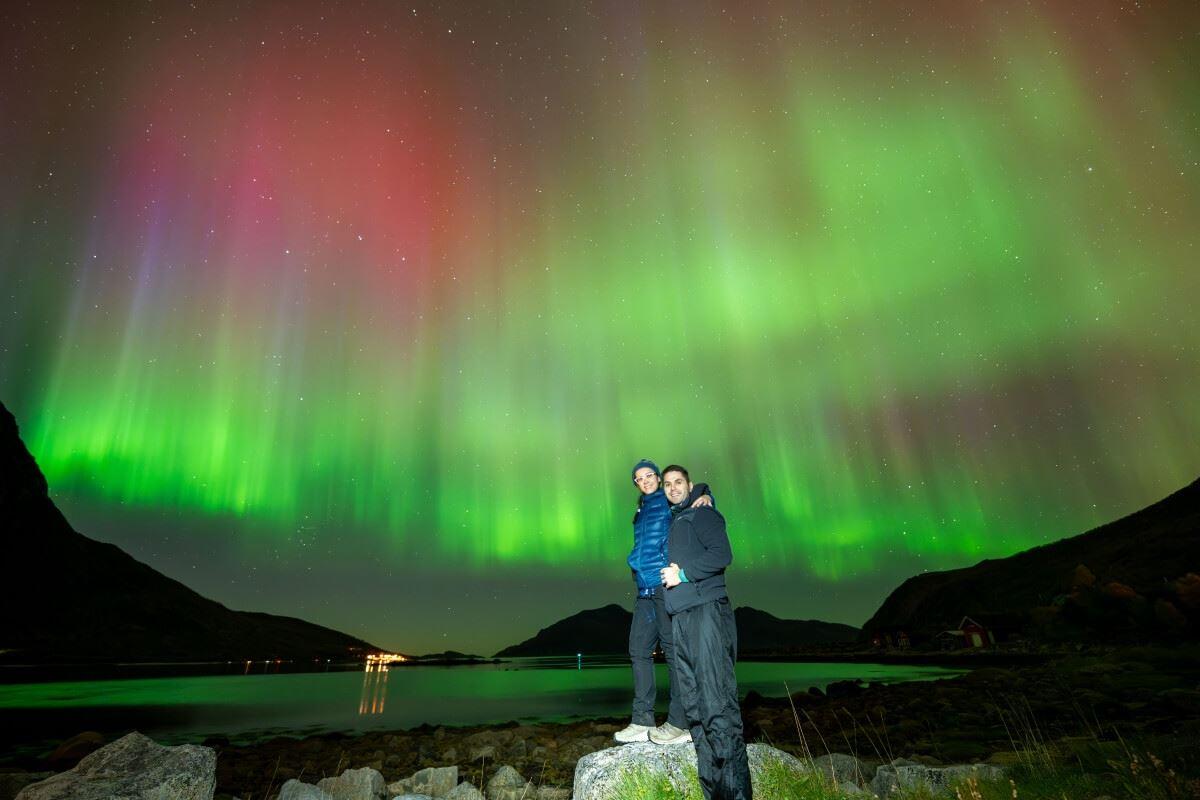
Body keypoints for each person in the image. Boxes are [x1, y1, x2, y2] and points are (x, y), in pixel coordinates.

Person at [660, 464, 752, 800]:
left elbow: (722, 554)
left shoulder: (703, 514)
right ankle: (714, 792)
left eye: (678, 482)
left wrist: (682, 575)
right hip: (681, 618)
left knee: (717, 707)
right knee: (695, 710)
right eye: (667, 484)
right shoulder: (676, 519)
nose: (672, 488)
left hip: (706, 614)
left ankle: (735, 794)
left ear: (690, 485)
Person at [613, 458, 712, 745]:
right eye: (639, 478)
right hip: (644, 589)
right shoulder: (641, 508)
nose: (645, 481)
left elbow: (687, 491)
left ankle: (681, 722)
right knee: (638, 650)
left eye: (649, 476)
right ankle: (642, 719)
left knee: (673, 652)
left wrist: (706, 494)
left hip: (664, 585)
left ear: (657, 477)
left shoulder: (666, 499)